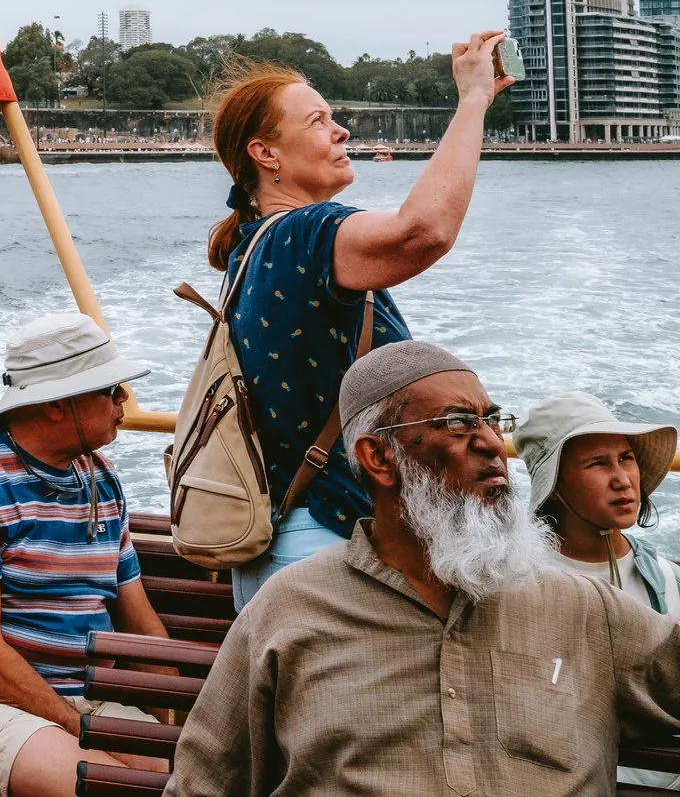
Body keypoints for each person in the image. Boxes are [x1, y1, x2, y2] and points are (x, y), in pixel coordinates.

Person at [166, 342, 680, 797]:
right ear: (378, 458)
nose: (490, 444)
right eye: (456, 423)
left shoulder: (576, 606)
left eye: (490, 418)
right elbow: (205, 783)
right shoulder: (290, 612)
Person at [206, 38, 511, 608]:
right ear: (266, 155)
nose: (341, 130)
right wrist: (472, 101)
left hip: (293, 544)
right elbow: (422, 232)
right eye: (319, 121)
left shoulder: (254, 248)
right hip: (332, 552)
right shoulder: (301, 235)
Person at [0, 313, 174, 797]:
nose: (124, 401)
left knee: (199, 780)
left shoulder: (99, 478)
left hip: (77, 696)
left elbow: (141, 626)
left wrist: (175, 718)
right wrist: (76, 729)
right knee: (107, 787)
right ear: (58, 405)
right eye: (111, 390)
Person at [517, 391, 680, 792]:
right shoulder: (517, 583)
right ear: (555, 485)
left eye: (625, 458)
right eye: (598, 463)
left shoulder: (667, 585)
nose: (623, 479)